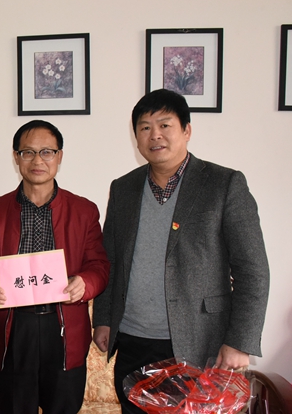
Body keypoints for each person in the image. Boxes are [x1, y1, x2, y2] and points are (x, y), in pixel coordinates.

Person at [92, 89, 270, 414]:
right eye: (145, 127)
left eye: (165, 125)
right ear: (136, 137)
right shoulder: (123, 188)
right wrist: (103, 320)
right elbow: (111, 260)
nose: (155, 135)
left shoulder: (224, 184)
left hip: (200, 345)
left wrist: (239, 341)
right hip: (132, 342)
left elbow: (252, 270)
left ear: (186, 130)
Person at [0, 120, 110, 414]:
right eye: (28, 152)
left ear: (59, 156)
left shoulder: (84, 211)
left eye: (47, 152)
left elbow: (99, 265)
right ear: (16, 157)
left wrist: (85, 283)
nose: (37, 160)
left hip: (65, 327)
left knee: (63, 407)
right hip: (13, 328)